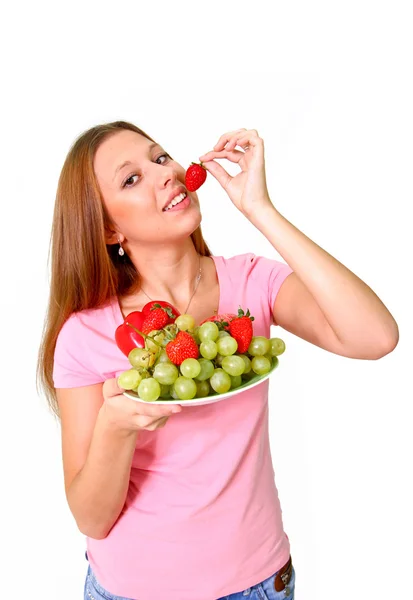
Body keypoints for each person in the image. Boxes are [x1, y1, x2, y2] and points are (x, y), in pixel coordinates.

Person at [37, 121, 399, 600]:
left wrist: (259, 209)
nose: (164, 173)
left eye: (160, 158)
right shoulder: (85, 335)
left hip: (259, 584)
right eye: (131, 179)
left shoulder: (251, 283)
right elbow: (91, 518)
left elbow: (376, 337)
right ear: (108, 229)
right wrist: (114, 428)